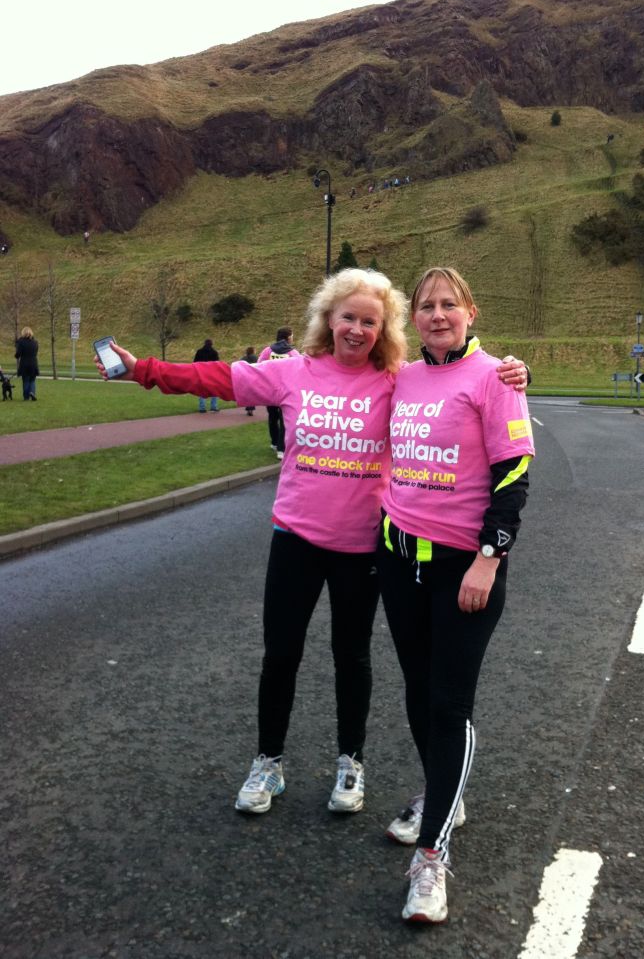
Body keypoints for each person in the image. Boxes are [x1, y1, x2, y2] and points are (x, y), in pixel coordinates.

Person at [95, 269, 528, 823]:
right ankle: (268, 762)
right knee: (280, 654)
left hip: (362, 549)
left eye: (369, 321)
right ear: (328, 319)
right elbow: (219, 378)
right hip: (295, 539)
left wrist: (516, 372)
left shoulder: (396, 379)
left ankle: (351, 762)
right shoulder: (293, 372)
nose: (357, 329)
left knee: (352, 657)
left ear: (384, 329)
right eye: (348, 317)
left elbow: (461, 379)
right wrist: (142, 370)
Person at [376, 266, 535, 924]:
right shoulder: (403, 376)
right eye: (426, 306)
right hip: (398, 562)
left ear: (471, 311)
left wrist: (488, 559)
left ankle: (432, 856)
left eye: (449, 304)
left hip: (463, 570)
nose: (438, 315)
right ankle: (447, 794)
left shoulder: (496, 378)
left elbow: (514, 473)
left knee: (448, 705)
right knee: (418, 693)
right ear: (412, 317)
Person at [257, 327, 300, 457]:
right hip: (285, 391)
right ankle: (281, 449)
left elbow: (259, 366)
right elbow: (300, 370)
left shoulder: (267, 351)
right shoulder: (292, 353)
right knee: (283, 420)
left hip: (269, 390)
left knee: (272, 417)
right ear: (288, 337)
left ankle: (274, 442)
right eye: (292, 335)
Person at [193, 339, 220, 412]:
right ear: (212, 344)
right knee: (214, 390)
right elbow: (217, 364)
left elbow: (195, 362)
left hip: (201, 373)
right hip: (212, 373)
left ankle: (202, 407)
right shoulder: (214, 352)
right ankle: (213, 406)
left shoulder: (199, 351)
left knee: (202, 390)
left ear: (204, 343)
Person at [15, 327, 40, 401]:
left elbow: (18, 354)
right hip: (33, 363)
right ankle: (32, 392)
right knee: (32, 380)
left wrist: (16, 356)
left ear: (23, 333)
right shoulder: (35, 342)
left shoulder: (21, 342)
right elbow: (36, 352)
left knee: (25, 380)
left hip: (24, 364)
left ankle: (26, 397)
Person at [240, 347, 258, 415]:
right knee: (252, 394)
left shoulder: (243, 358)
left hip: (245, 377)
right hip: (253, 377)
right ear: (252, 351)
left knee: (247, 393)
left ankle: (248, 408)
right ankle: (251, 409)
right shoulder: (255, 358)